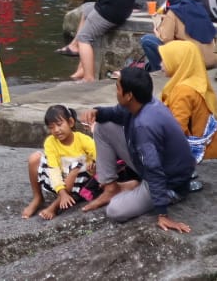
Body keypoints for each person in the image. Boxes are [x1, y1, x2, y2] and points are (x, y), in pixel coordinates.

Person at [78, 67, 194, 228]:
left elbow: (154, 169)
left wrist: (162, 214)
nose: (116, 92)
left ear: (129, 95)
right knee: (102, 127)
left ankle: (140, 188)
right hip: (153, 165)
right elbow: (115, 113)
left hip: (169, 182)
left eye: (118, 88)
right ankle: (111, 187)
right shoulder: (144, 103)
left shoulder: (144, 126)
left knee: (115, 210)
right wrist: (96, 112)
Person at [22, 104, 96, 220]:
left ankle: (54, 206)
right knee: (34, 158)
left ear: (70, 122)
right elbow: (53, 169)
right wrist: (62, 192)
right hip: (58, 181)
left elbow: (98, 154)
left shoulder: (83, 139)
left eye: (59, 124)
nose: (56, 130)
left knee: (76, 166)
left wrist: (93, 164)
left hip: (79, 181)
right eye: (51, 127)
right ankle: (38, 197)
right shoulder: (50, 142)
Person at [157, 40, 217, 163]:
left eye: (165, 59)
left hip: (201, 153)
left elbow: (176, 129)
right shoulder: (197, 81)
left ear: (179, 61)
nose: (160, 64)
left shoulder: (183, 91)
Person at [141, 0, 217, 71]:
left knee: (147, 40)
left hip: (193, 62)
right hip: (211, 61)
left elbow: (166, 39)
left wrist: (157, 30)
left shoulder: (174, 12)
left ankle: (160, 71)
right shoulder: (199, 7)